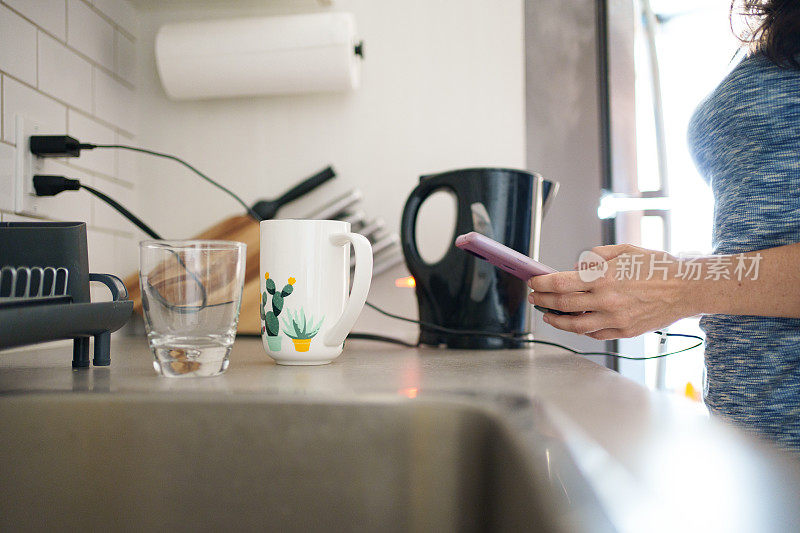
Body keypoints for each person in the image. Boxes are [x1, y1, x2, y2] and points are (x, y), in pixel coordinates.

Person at [528, 0, 800, 452]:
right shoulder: (777, 32)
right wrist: (668, 276)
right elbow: (765, 244)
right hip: (753, 450)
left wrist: (682, 286)